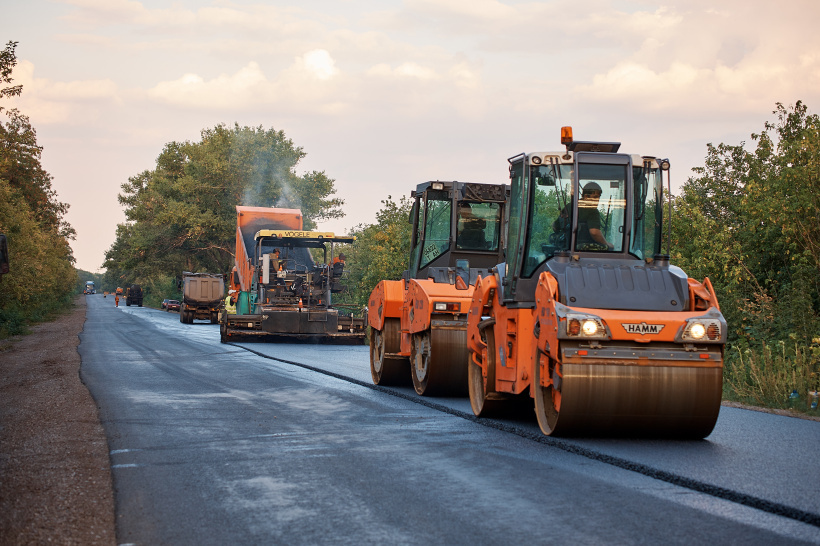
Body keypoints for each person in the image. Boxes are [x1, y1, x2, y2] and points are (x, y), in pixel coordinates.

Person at [552, 182, 613, 251]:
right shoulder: (592, 211)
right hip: (586, 253)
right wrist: (606, 244)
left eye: (599, 197)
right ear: (586, 196)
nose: (598, 200)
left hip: (567, 250)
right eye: (595, 197)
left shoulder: (569, 206)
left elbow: (555, 226)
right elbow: (594, 232)